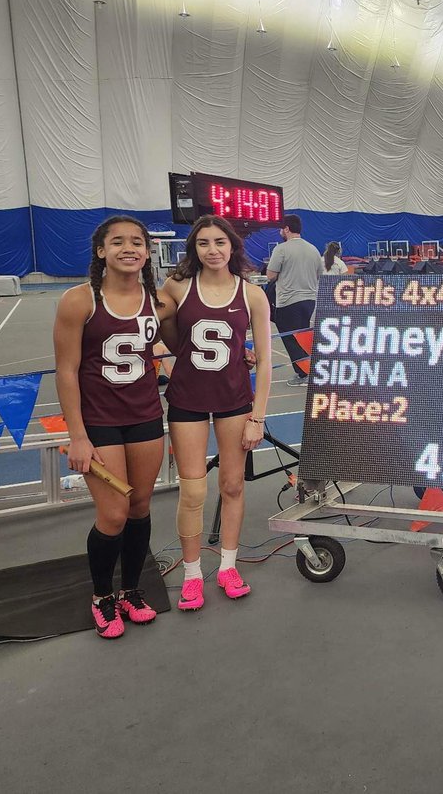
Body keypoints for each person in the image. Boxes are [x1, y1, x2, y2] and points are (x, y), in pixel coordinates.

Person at [53, 216, 173, 638]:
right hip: (99, 423)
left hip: (144, 418)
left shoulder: (158, 302)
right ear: (101, 251)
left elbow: (186, 339)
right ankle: (102, 595)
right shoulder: (79, 300)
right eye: (118, 241)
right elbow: (66, 372)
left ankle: (131, 590)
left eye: (137, 242)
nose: (129, 248)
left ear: (147, 251)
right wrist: (78, 435)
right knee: (114, 512)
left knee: (140, 508)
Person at [161, 216, 272, 610]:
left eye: (220, 242)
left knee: (233, 485)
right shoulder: (176, 287)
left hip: (234, 401)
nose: (212, 250)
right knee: (192, 491)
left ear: (232, 247)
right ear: (193, 248)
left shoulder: (252, 295)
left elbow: (266, 361)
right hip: (187, 400)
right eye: (204, 242)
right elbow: (150, 324)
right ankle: (192, 574)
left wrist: (258, 416)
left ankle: (228, 565)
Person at [267, 215, 322, 387]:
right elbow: (319, 274)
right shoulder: (313, 249)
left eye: (281, 228)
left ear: (287, 229)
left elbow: (271, 275)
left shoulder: (281, 249)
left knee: (291, 339)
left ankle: (304, 373)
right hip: (309, 301)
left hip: (289, 301)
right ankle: (311, 370)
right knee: (304, 337)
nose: (279, 231)